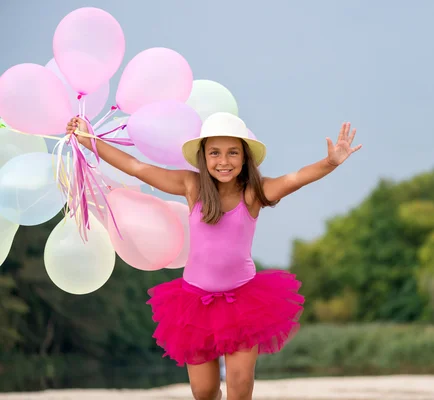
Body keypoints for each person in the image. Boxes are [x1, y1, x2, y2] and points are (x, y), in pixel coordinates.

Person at [66, 112, 361, 400]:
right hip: (195, 303)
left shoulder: (254, 193)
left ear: (244, 157)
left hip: (244, 301)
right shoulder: (191, 186)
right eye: (215, 153)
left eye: (233, 153)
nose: (224, 161)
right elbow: (135, 166)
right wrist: (88, 138)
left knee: (241, 383)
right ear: (204, 157)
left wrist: (330, 163)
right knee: (204, 392)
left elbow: (295, 178)